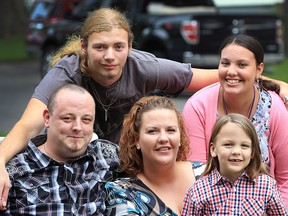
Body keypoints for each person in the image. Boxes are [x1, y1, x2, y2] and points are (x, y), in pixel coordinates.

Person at [0, 8, 287, 210]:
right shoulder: (67, 74)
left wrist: (268, 81)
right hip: (76, 156)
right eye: (100, 47)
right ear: (84, 48)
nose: (110, 56)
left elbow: (211, 75)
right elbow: (29, 124)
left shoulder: (143, 66)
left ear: (130, 46)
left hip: (118, 161)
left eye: (118, 47)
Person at [182, 34, 288, 206]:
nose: (231, 71)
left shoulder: (274, 107)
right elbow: (196, 175)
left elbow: (286, 178)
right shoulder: (198, 106)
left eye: (242, 65)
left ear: (259, 70)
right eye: (225, 63)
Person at [0, 84, 119, 215]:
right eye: (67, 118)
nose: (77, 127)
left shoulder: (107, 155)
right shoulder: (13, 174)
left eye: (86, 119)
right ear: (47, 118)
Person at [104, 96, 198, 215]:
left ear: (180, 137)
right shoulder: (122, 193)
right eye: (152, 131)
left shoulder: (206, 174)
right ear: (137, 140)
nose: (163, 138)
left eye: (171, 130)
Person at [181, 114, 288, 215]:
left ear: (253, 152)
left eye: (244, 146)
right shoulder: (199, 191)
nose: (236, 151)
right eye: (228, 144)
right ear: (213, 150)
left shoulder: (266, 186)